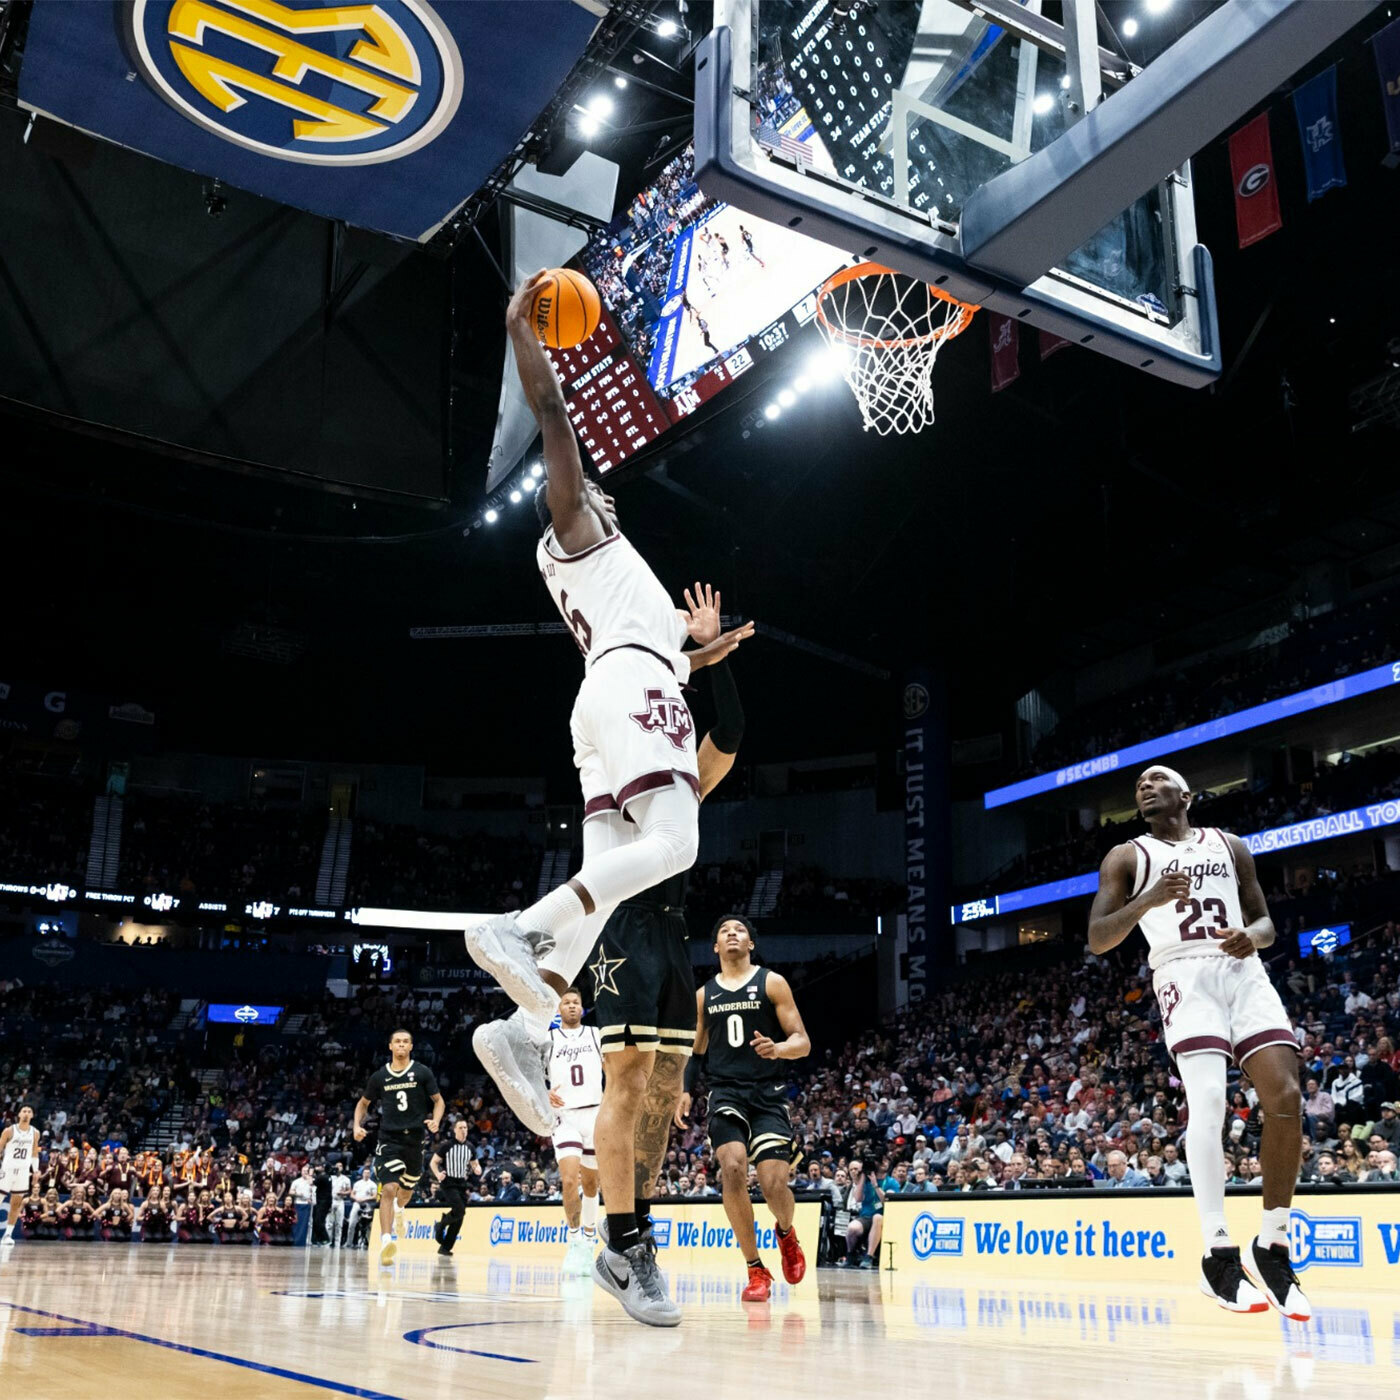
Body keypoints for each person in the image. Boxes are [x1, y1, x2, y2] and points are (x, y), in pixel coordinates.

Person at [466, 269, 752, 1136]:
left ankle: (519, 1028)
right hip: (627, 692)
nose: (593, 487)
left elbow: (670, 640)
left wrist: (702, 647)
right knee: (676, 839)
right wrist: (526, 333)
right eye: (583, 485)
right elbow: (555, 421)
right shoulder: (577, 533)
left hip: (611, 701)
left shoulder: (622, 575)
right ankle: (513, 931)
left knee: (611, 890)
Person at [1087, 765, 1308, 1320]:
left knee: (1285, 1097)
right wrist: (1151, 898)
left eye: (1158, 778)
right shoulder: (1126, 856)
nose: (1144, 785)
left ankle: (1273, 1243)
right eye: (1139, 784)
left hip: (1242, 968)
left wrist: (1249, 936)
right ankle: (1217, 1253)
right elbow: (1098, 939)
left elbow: (1265, 923)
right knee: (1208, 1102)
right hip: (1182, 975)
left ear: (1185, 795)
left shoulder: (1230, 846)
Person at [589, 648, 748, 1327]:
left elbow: (732, 733)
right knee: (625, 1081)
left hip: (675, 932)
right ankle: (621, 1242)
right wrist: (665, 657)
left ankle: (637, 1230)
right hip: (622, 924)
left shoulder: (685, 782)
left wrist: (716, 663)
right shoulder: (611, 756)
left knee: (661, 1091)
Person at [676, 915, 809, 1301]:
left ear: (750, 944)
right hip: (725, 1093)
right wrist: (685, 1091)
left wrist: (779, 1048)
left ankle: (785, 1232)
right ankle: (755, 1270)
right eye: (724, 931)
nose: (732, 934)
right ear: (715, 947)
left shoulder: (771, 982)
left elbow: (802, 1040)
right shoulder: (703, 995)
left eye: (740, 931)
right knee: (732, 1167)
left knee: (773, 1184)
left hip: (768, 1092)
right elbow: (695, 1053)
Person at [352, 1029, 445, 1268]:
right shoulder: (379, 1076)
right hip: (389, 1140)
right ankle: (386, 1240)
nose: (401, 1045)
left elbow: (438, 1100)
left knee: (405, 1192)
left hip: (414, 1141)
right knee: (389, 1188)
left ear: (411, 1046)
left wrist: (436, 1120)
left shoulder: (422, 1071)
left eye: (406, 1042)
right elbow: (363, 1103)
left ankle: (400, 1210)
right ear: (390, 1046)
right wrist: (356, 1125)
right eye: (397, 1042)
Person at [547, 987, 603, 1275]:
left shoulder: (595, 1034)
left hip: (595, 1112)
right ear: (558, 1009)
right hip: (565, 1116)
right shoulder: (549, 1038)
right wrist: (543, 1092)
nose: (571, 1006)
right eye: (566, 1002)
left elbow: (613, 1068)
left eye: (575, 1002)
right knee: (569, 1181)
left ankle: (590, 1237)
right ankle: (574, 1239)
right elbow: (532, 1072)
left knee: (592, 1184)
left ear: (582, 1008)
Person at [429, 1119, 475, 1257]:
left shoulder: (470, 1147)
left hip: (462, 1183)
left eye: (465, 1127)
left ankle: (445, 1247)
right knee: (459, 1210)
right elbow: (433, 1162)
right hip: (448, 1182)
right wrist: (438, 1174)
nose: (463, 1130)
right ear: (455, 1130)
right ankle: (441, 1224)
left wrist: (477, 1168)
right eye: (460, 1127)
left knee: (460, 1217)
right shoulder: (446, 1146)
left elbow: (474, 1163)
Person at [0, 1105, 38, 1249]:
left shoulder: (35, 1133)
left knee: (16, 1204)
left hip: (23, 1172)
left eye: (29, 1111)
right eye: (24, 1111)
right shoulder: (9, 1130)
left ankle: (7, 1235)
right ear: (19, 1114)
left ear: (32, 1115)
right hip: (7, 1170)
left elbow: (34, 1153)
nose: (26, 1113)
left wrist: (35, 1171)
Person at [347, 1166, 376, 1249]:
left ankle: (367, 1242)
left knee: (366, 1226)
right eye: (365, 1173)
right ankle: (349, 1243)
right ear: (362, 1173)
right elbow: (352, 1194)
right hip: (357, 1203)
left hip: (367, 1205)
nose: (366, 1174)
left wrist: (365, 1199)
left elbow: (374, 1196)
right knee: (352, 1223)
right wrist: (356, 1198)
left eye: (368, 1173)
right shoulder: (357, 1183)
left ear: (370, 1174)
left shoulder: (372, 1184)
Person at [328, 1162, 352, 1248]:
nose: (338, 1167)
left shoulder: (346, 1179)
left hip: (340, 1201)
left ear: (342, 1168)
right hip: (331, 1201)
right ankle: (328, 1241)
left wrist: (343, 1192)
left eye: (340, 1166)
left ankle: (337, 1243)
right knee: (329, 1223)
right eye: (337, 1165)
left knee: (339, 1223)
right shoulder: (330, 1177)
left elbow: (349, 1191)